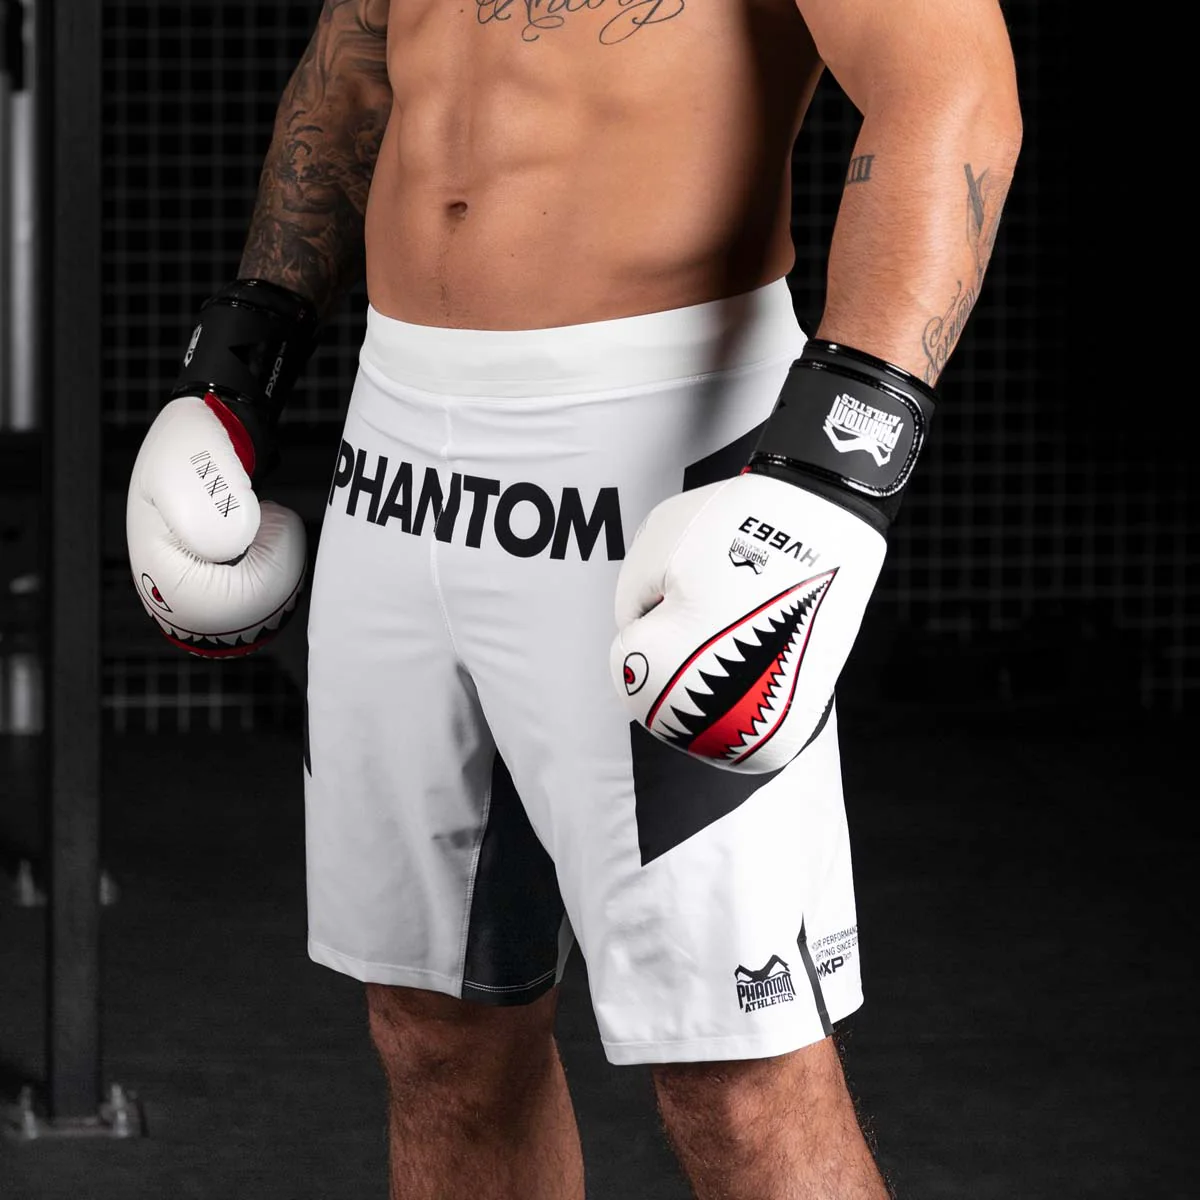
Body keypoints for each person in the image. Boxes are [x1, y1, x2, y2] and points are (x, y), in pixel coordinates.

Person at [125, 1, 1021, 1196]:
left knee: (738, 1077)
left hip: (660, 442)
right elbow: (360, 58)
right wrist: (241, 360)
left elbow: (950, 89)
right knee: (434, 1034)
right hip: (396, 445)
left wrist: (837, 463)